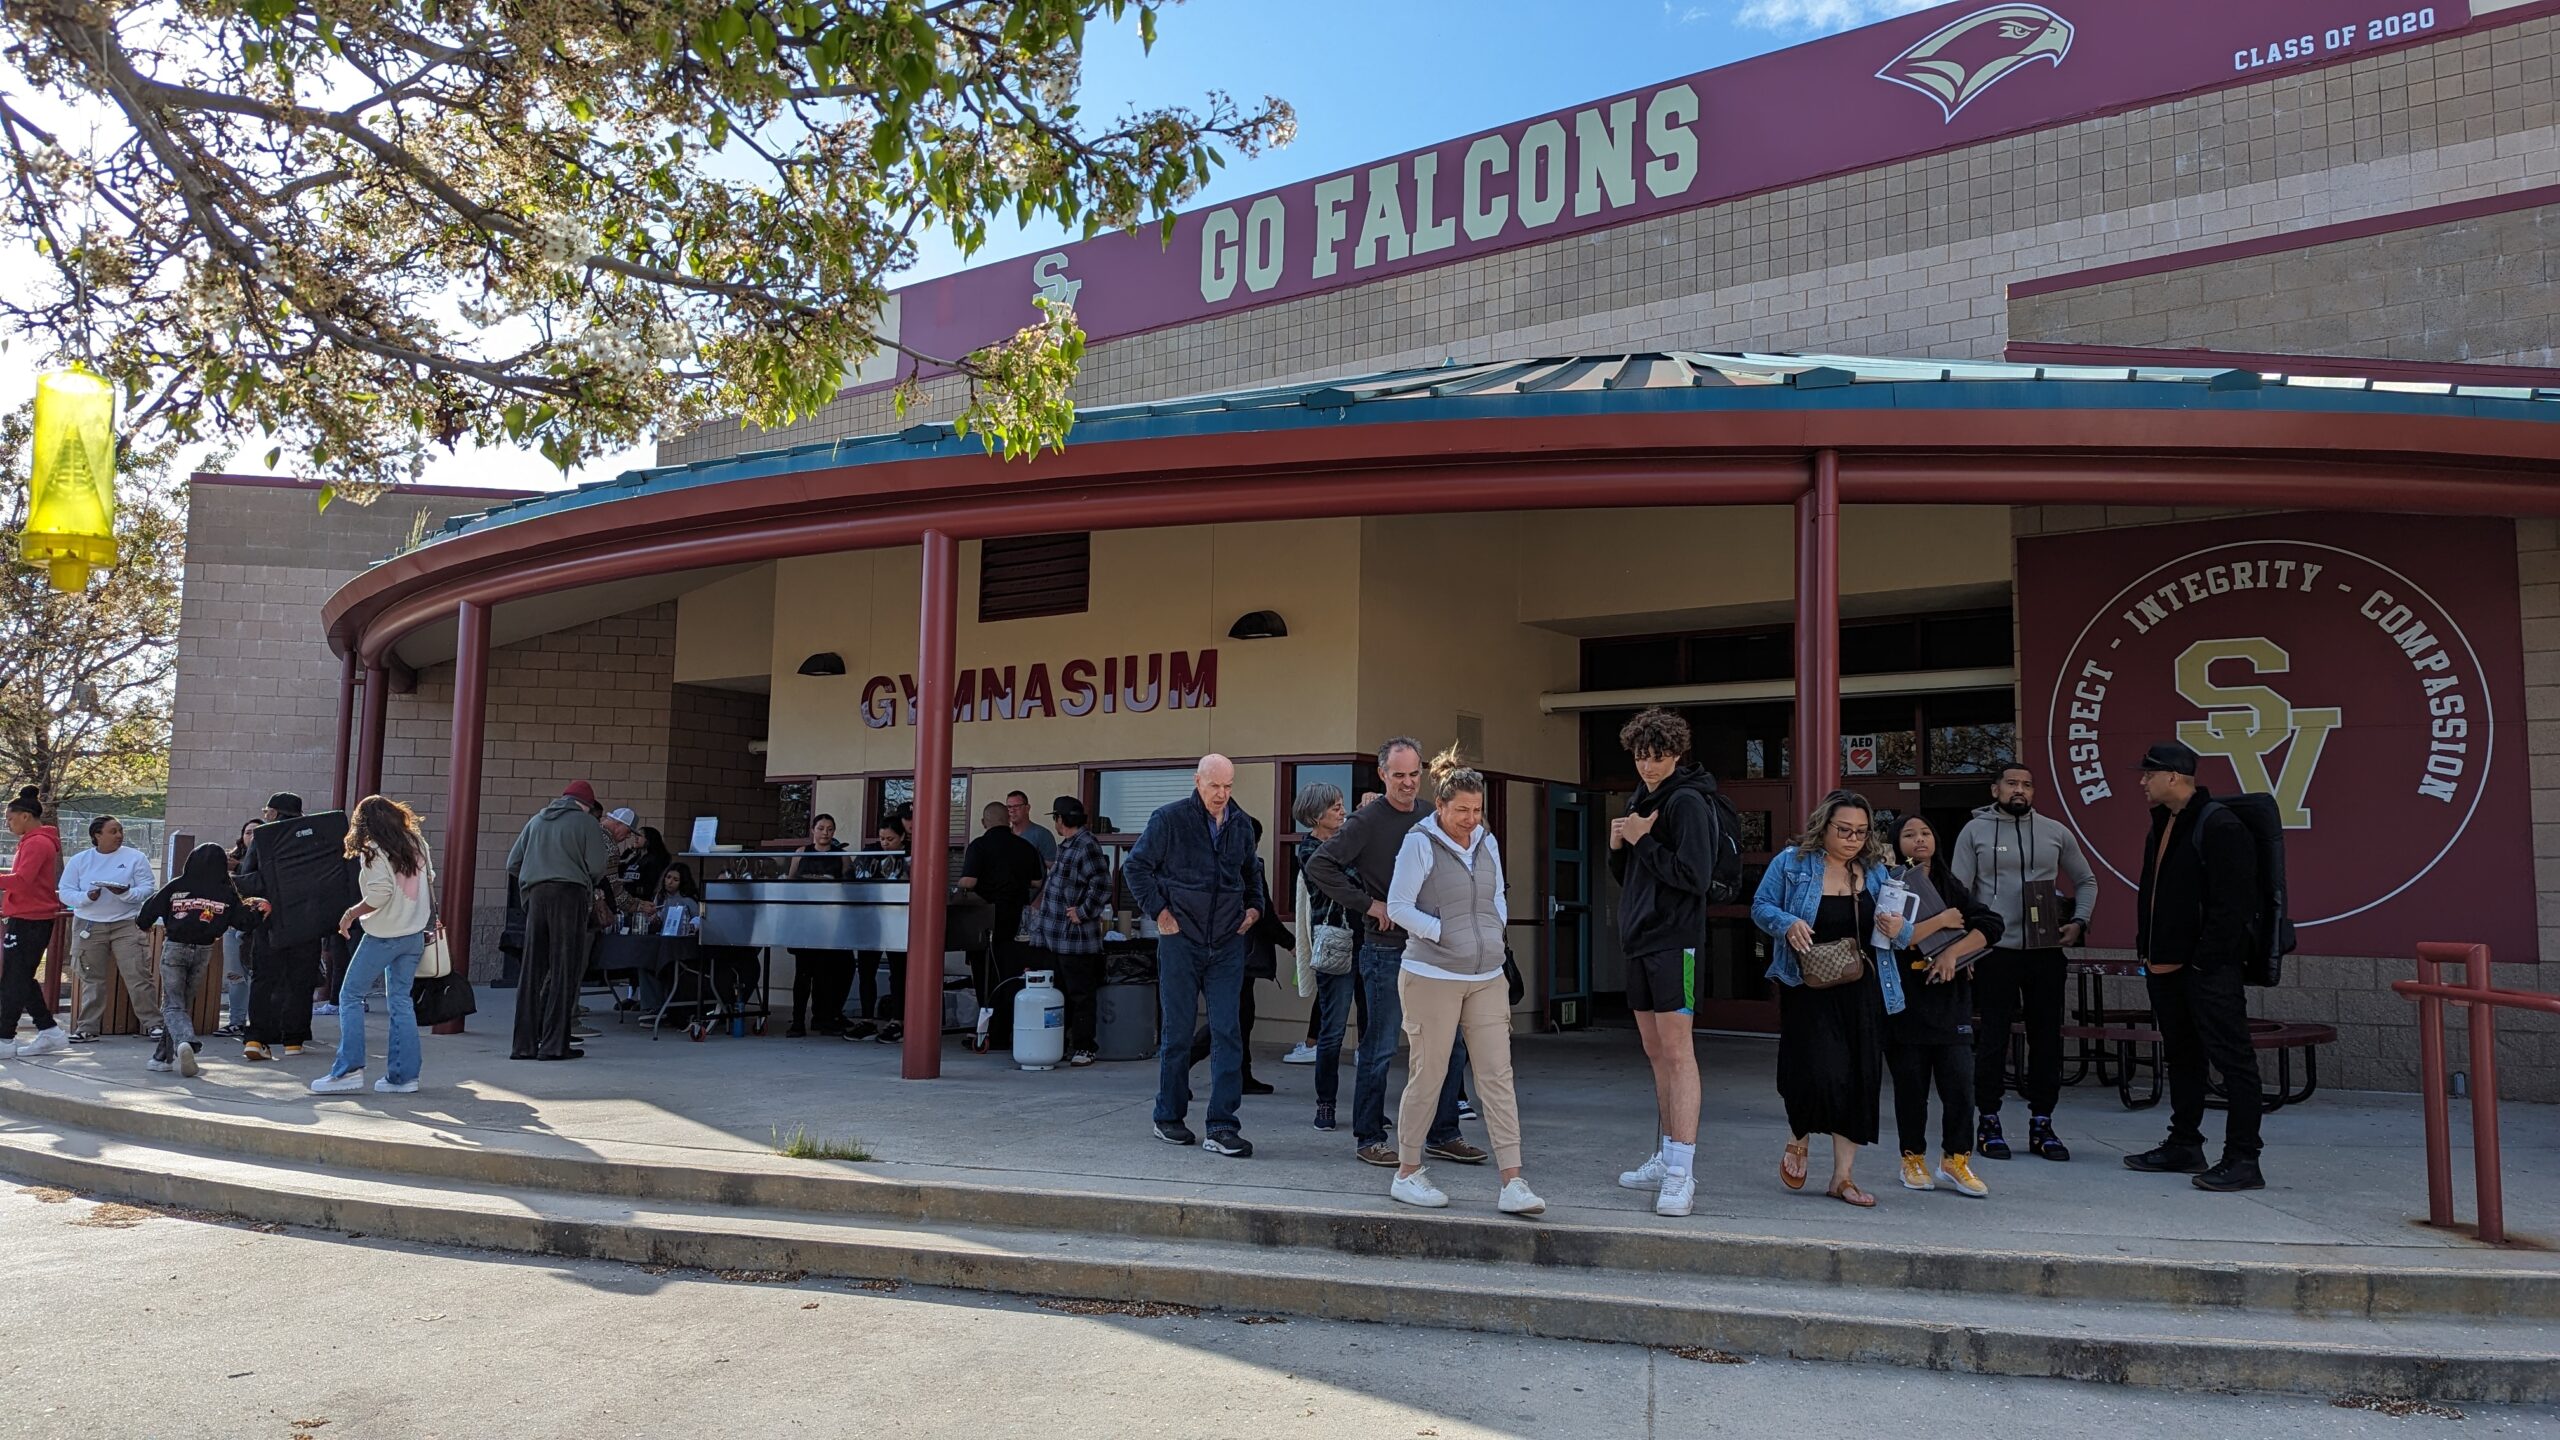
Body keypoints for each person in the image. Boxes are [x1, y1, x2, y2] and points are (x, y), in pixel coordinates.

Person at [1379, 747, 1542, 1215]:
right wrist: (1442, 932)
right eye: (1462, 811)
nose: (1471, 820)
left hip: (1487, 977)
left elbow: (1496, 896)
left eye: (1477, 810)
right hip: (1431, 976)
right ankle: (1407, 1173)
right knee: (1429, 1074)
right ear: (1441, 806)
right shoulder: (1419, 843)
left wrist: (1492, 930)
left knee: (1497, 1077)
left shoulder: (1486, 841)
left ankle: (1513, 1181)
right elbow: (1398, 906)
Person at [1305, 738, 1482, 1170]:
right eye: (1398, 775)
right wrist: (1370, 905)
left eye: (1414, 774)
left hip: (1436, 949)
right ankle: (1370, 1137)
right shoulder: (1366, 821)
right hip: (1386, 950)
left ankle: (1444, 1134)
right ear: (1382, 774)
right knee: (1381, 1048)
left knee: (1450, 1047)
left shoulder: (1432, 815)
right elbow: (1320, 866)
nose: (1407, 783)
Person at [1751, 790, 1906, 1208]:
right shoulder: (1792, 863)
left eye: (1861, 831)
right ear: (1824, 826)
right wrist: (1787, 923)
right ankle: (1799, 1133)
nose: (1853, 839)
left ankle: (1843, 1177)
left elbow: (1902, 931)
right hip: (1808, 986)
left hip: (1862, 985)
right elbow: (1760, 906)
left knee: (1858, 1077)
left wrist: (1898, 929)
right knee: (1815, 1070)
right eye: (1845, 830)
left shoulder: (1875, 871)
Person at [2125, 741, 2268, 1193]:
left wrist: (2206, 961)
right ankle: (2185, 1143)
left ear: (2173, 776)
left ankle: (2244, 1158)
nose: (2142, 782)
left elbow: (2234, 904)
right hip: (2164, 967)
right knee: (2183, 1057)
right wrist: (2146, 950)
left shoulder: (2220, 825)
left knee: (2234, 1060)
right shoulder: (2162, 824)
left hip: (2207, 971)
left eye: (2149, 774)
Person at [1604, 707, 1727, 1219]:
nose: (1647, 765)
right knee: (1656, 1053)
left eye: (1657, 756)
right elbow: (1632, 875)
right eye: (1640, 756)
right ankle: (1668, 1153)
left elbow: (1694, 876)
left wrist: (1643, 839)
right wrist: (1619, 845)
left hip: (1676, 941)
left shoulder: (1687, 801)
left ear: (1676, 754)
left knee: (1678, 1054)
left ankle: (1682, 1171)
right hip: (1639, 939)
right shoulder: (1642, 797)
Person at [1950, 763, 2098, 1163]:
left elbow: (2086, 880)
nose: (2020, 790)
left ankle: (2042, 1122)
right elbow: (1959, 892)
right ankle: (1989, 1120)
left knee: (2046, 1039)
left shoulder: (2055, 832)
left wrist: (2079, 921)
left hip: (2044, 951)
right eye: (2012, 783)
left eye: (2027, 785)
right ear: (1995, 789)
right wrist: (1964, 947)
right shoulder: (1975, 831)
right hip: (1995, 950)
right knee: (1993, 1038)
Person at [1123, 754, 1265, 1158]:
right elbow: (1135, 868)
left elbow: (1251, 873)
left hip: (1227, 942)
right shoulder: (1168, 819)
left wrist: (1254, 909)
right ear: (1197, 781)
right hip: (1181, 940)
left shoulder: (1240, 824)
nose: (1222, 794)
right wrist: (1160, 913)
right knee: (1178, 1032)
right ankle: (1168, 1116)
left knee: (1228, 1032)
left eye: (1228, 786)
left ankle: (1222, 1126)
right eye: (1214, 785)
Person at [1885, 813, 2001, 1198]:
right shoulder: (1890, 884)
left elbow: (1991, 925)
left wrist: (1953, 954)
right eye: (1909, 834)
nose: (1920, 839)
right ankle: (1912, 1158)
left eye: (1926, 832)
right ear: (1895, 843)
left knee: (1960, 1088)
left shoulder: (1952, 885)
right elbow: (1894, 937)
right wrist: (1943, 922)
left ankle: (1955, 1159)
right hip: (1907, 1002)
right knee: (1911, 1090)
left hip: (1951, 1004)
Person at [311, 795, 437, 1095]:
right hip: (414, 934)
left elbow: (380, 894)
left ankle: (349, 1070)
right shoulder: (417, 843)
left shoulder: (373, 849)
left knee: (350, 995)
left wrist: (350, 914)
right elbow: (429, 878)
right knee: (401, 1002)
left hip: (384, 934)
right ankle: (404, 1077)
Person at [236, 792, 356, 1061]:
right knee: (301, 981)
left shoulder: (265, 837)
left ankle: (256, 1038)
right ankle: (294, 1040)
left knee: (264, 979)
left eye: (267, 811)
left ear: (275, 812)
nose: (265, 815)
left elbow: (248, 877)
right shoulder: (321, 835)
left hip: (271, 923)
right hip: (309, 923)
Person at [507, 780, 611, 1061]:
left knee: (532, 970)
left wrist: (537, 876)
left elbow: (512, 863)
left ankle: (523, 1045)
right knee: (564, 969)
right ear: (587, 805)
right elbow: (597, 867)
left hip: (536, 896)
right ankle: (554, 1045)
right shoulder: (587, 823)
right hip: (569, 895)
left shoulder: (536, 821)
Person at [138, 842, 254, 1077]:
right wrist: (258, 910)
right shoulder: (226, 892)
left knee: (172, 1005)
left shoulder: (177, 885)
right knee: (180, 1006)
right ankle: (162, 1058)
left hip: (175, 947)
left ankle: (187, 1042)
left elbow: (146, 913)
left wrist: (147, 924)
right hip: (204, 950)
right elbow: (244, 922)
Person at [1288, 782, 1362, 1131]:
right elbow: (1351, 879)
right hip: (1334, 942)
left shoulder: (1350, 838)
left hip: (1369, 941)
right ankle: (1326, 1104)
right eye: (1334, 807)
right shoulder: (1309, 850)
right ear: (1316, 814)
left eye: (1342, 804)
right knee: (1331, 1031)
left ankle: (1368, 1107)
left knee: (1373, 1030)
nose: (1342, 811)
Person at [1191, 823, 1282, 1095]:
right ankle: (1179, 1067)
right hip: (1229, 955)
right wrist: (1290, 943)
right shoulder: (1237, 869)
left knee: (1242, 1017)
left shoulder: (1229, 865)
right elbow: (1263, 913)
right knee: (1227, 1019)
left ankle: (1242, 1075)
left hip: (1234, 955)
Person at [1023, 796, 1110, 1066]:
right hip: (1055, 938)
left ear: (1060, 819)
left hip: (1076, 939)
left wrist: (1083, 912)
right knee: (1059, 994)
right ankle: (1058, 1044)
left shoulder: (1086, 845)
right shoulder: (1068, 846)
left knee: (1080, 995)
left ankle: (1085, 1046)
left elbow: (1103, 884)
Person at [60, 814, 158, 1042]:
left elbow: (147, 888)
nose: (119, 835)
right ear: (97, 835)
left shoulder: (135, 857)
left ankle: (154, 1024)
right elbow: (65, 891)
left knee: (137, 974)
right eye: (113, 831)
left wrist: (126, 893)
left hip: (126, 923)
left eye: (120, 830)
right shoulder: (80, 860)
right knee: (91, 979)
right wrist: (87, 897)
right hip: (89, 924)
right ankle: (87, 1028)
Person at [960, 799, 1044, 1047]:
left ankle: (988, 1033)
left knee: (984, 977)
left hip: (983, 920)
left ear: (984, 822)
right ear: (1007, 820)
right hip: (1016, 921)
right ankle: (1009, 1030)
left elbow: (968, 882)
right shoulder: (1025, 847)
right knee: (1012, 975)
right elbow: (1037, 882)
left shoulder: (979, 846)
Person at [2, 787, 70, 1057]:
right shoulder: (34, 841)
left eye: (10, 818)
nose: (8, 824)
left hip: (31, 919)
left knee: (13, 980)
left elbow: (22, 880)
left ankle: (5, 1037)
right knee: (19, 977)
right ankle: (49, 1031)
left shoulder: (37, 843)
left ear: (25, 816)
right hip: (27, 917)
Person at [785, 813, 855, 1037]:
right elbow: (791, 881)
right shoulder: (801, 852)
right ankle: (797, 1021)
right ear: (813, 830)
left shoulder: (841, 856)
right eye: (821, 828)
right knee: (803, 973)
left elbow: (850, 886)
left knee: (825, 973)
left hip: (830, 920)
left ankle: (822, 1018)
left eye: (830, 828)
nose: (825, 832)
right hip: (804, 919)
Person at [851, 817, 911, 1044]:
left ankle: (898, 1019)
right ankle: (867, 1018)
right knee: (866, 970)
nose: (885, 843)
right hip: (872, 919)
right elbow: (858, 879)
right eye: (882, 838)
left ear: (902, 837)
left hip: (899, 919)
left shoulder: (910, 853)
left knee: (899, 971)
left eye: (891, 839)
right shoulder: (870, 852)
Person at [220, 819, 257, 1035]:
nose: (252, 836)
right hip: (232, 924)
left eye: (256, 832)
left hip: (257, 925)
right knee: (235, 974)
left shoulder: (270, 858)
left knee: (257, 974)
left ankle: (258, 1022)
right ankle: (236, 1021)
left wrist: (239, 868)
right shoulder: (231, 859)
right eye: (248, 832)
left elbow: (261, 881)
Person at [1006, 790, 1059, 867]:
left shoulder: (1042, 834)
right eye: (1009, 807)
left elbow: (1053, 868)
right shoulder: (1005, 835)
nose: (1012, 810)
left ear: (1027, 808)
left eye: (1017, 806)